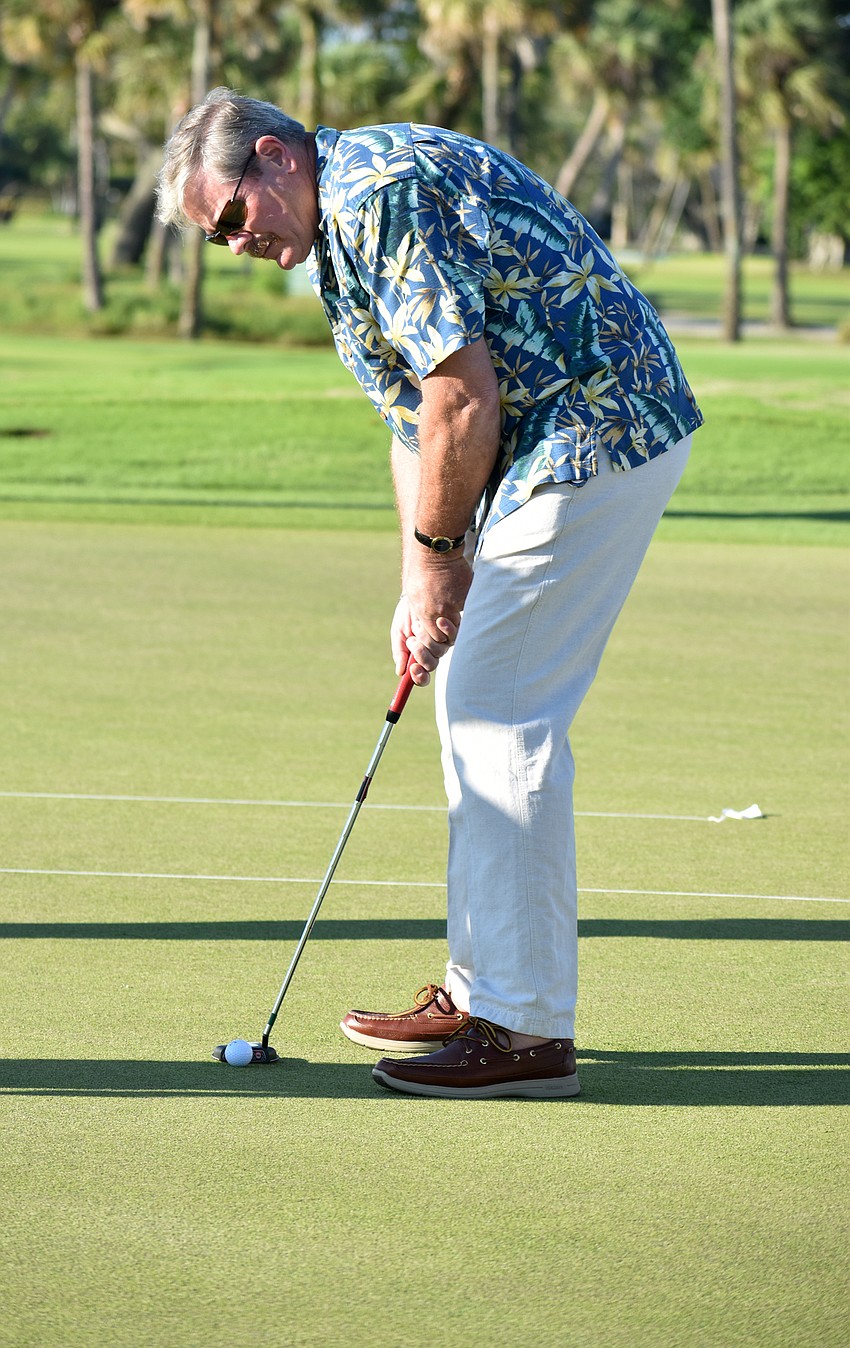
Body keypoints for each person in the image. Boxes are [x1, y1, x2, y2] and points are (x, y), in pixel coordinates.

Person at [157, 88, 703, 1099]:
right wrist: (420, 583)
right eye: (215, 237)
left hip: (593, 429)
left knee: (502, 713)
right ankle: (483, 987)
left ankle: (526, 1029)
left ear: (275, 157)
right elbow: (416, 418)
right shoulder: (336, 225)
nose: (233, 244)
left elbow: (461, 395)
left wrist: (443, 558)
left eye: (230, 217)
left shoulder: (380, 194)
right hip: (541, 446)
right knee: (476, 706)